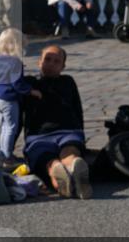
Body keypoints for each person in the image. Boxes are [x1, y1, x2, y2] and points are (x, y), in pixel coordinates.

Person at [20, 45, 92, 199]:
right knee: (63, 153)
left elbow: (77, 109)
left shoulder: (32, 84)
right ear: (39, 62)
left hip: (50, 134)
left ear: (63, 67)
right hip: (53, 134)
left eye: (56, 61)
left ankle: (59, 171)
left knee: (51, 159)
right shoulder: (31, 83)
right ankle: (72, 167)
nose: (51, 64)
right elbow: (77, 110)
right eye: (48, 59)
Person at [0, 28, 42, 163]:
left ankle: (3, 152)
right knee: (11, 128)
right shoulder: (15, 62)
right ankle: (7, 155)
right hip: (9, 99)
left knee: (4, 127)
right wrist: (31, 91)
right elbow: (17, 83)